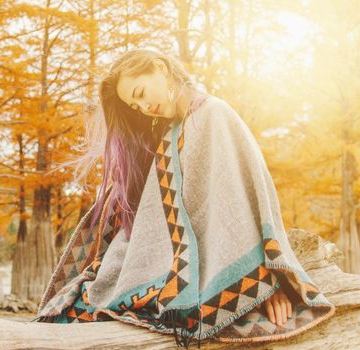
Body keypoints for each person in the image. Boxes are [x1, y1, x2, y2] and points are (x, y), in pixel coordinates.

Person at [33, 48, 334, 349]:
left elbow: (241, 204)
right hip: (166, 264)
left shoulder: (214, 115)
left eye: (139, 92)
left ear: (161, 69)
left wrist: (267, 285)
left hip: (199, 271)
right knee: (82, 299)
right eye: (134, 105)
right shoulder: (169, 133)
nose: (142, 106)